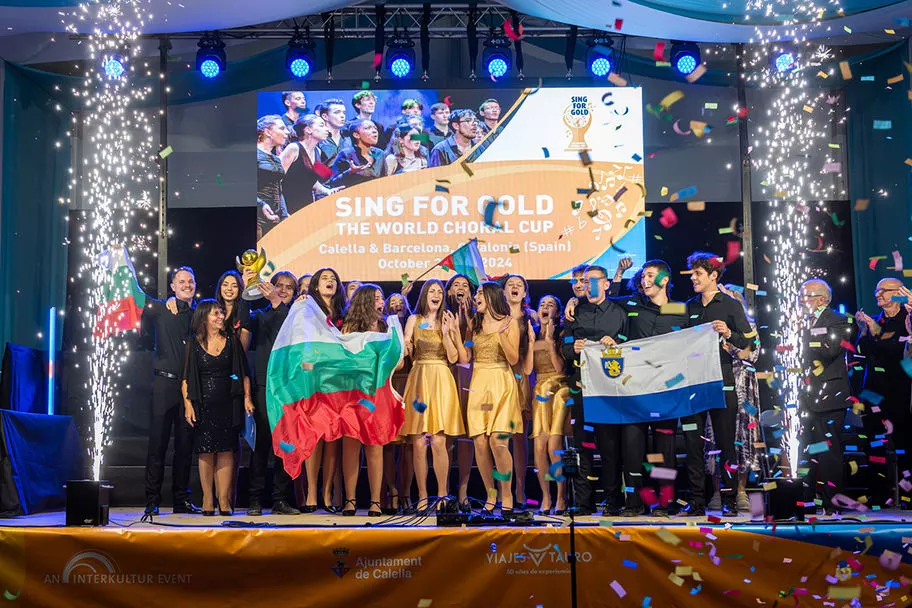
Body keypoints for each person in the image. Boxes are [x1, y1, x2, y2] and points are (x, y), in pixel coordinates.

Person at [681, 252, 756, 517]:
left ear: (713, 275)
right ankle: (696, 501)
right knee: (692, 443)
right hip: (693, 385)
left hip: (723, 383)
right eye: (692, 273)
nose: (693, 278)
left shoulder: (731, 305)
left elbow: (750, 343)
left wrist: (729, 333)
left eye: (698, 274)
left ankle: (730, 499)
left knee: (726, 443)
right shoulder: (689, 306)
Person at [560, 265, 627, 516]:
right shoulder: (574, 313)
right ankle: (583, 502)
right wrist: (574, 348)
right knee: (583, 445)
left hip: (610, 390)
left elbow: (631, 345)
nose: (588, 286)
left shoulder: (620, 313)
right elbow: (565, 348)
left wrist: (616, 343)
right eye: (585, 282)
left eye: (593, 281)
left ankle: (612, 500)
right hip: (581, 387)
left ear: (607, 284)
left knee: (610, 447)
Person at [237, 270, 302, 516]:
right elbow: (243, 323)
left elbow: (285, 329)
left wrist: (276, 302)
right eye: (279, 286)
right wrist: (246, 291)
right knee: (262, 445)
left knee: (286, 445)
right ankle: (254, 500)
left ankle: (280, 500)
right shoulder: (261, 315)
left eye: (288, 287)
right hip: (264, 386)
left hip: (289, 388)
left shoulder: (297, 317)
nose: (283, 290)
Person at [182, 299, 253, 516]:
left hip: (228, 403)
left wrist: (247, 398)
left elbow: (241, 373)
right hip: (202, 404)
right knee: (205, 451)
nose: (221, 316)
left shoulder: (232, 341)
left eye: (221, 313)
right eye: (215, 313)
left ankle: (223, 500)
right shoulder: (193, 343)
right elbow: (186, 378)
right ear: (204, 317)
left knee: (226, 450)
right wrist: (188, 405)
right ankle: (207, 498)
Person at [339, 285, 405, 516]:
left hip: (378, 393)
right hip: (353, 393)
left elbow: (399, 362)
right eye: (376, 298)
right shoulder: (349, 327)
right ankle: (350, 500)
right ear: (365, 301)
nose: (381, 301)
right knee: (350, 446)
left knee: (375, 444)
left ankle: (375, 501)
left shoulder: (388, 327)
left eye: (381, 297)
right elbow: (343, 359)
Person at [401, 280, 466, 511]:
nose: (436, 294)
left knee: (439, 441)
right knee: (419, 442)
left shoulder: (448, 319)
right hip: (419, 377)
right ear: (425, 295)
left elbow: (454, 358)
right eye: (432, 291)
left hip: (441, 378)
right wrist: (405, 345)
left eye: (439, 291)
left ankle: (442, 495)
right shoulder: (414, 319)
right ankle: (422, 495)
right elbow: (407, 345)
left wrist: (447, 334)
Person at [460, 282, 523, 517]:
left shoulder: (510, 323)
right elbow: (466, 356)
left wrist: (500, 334)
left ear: (491, 297)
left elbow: (513, 358)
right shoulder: (473, 325)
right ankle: (491, 494)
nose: (475, 297)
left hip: (501, 383)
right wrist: (454, 333)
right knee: (480, 442)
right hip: (479, 384)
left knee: (498, 440)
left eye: (479, 293)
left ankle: (507, 495)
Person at [142, 266, 201, 517]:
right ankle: (152, 500)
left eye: (191, 281)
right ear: (173, 287)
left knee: (185, 447)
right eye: (182, 282)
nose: (187, 285)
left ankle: (181, 500)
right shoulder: (160, 308)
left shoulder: (199, 316)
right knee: (157, 445)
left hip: (189, 389)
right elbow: (136, 295)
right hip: (163, 386)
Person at [703, 284, 761, 513]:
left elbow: (753, 354)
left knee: (743, 439)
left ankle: (741, 490)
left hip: (743, 388)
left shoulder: (749, 326)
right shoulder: (710, 325)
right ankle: (719, 490)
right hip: (718, 384)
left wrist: (730, 343)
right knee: (716, 438)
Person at [801, 279, 855, 513]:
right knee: (806, 450)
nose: (801, 301)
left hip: (830, 395)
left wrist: (805, 335)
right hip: (805, 397)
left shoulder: (838, 320)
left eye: (806, 297)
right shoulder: (802, 321)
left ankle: (832, 504)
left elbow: (830, 349)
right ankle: (805, 502)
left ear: (822, 299)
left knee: (829, 452)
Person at [856, 277, 911, 505]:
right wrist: (864, 330)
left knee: (904, 443)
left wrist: (875, 332)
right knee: (874, 443)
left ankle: (907, 494)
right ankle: (878, 494)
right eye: (876, 291)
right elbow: (861, 351)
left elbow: (899, 350)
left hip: (900, 390)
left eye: (883, 291)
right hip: (873, 391)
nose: (878, 295)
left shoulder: (907, 319)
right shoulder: (874, 320)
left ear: (898, 293)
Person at [302, 268, 347, 512]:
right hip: (314, 380)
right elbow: (302, 346)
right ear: (316, 286)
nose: (329, 281)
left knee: (333, 438)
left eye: (333, 279)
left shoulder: (344, 313)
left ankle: (327, 494)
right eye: (324, 278)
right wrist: (308, 373)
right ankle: (311, 493)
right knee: (315, 436)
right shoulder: (307, 310)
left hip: (338, 381)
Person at [530, 295, 571, 515]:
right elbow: (528, 369)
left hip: (560, 389)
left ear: (558, 312)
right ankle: (546, 496)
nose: (545, 307)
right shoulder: (532, 333)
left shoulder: (563, 334)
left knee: (554, 445)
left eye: (551, 304)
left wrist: (550, 343)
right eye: (542, 304)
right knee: (539, 446)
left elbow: (560, 368)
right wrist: (531, 343)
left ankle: (561, 496)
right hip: (540, 390)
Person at [504, 274, 536, 509]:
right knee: (498, 435)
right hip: (499, 374)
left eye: (519, 285)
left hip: (522, 375)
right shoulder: (495, 315)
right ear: (503, 291)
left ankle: (520, 489)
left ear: (524, 292)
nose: (515, 288)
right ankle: (501, 489)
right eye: (510, 285)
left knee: (519, 436)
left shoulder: (531, 316)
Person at [446, 274, 476, 511]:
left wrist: (466, 321)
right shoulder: (442, 315)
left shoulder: (476, 316)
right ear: (448, 292)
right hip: (446, 375)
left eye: (465, 285)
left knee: (467, 436)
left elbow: (470, 349)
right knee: (445, 434)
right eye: (456, 285)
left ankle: (463, 490)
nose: (461, 288)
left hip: (468, 376)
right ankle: (443, 490)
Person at [383, 293, 414, 514]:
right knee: (388, 443)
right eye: (392, 303)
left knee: (409, 445)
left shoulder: (414, 325)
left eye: (401, 303)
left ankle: (406, 492)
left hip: (411, 384)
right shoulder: (385, 328)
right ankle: (390, 491)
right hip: (390, 384)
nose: (397, 306)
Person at [281, 114, 341, 214]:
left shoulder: (318, 151)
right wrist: (282, 211)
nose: (327, 129)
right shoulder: (294, 148)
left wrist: (327, 191)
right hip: (289, 205)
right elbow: (277, 179)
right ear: (308, 130)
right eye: (322, 125)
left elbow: (310, 181)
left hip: (306, 204)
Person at [256, 115, 289, 239]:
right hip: (258, 217)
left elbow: (278, 187)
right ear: (268, 132)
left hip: (275, 217)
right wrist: (261, 205)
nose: (287, 132)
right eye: (282, 128)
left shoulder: (276, 159)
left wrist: (284, 215)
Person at [329, 119, 385, 188]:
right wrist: (350, 172)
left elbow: (384, 180)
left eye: (375, 128)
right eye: (368, 128)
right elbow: (332, 183)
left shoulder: (380, 154)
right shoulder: (346, 154)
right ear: (356, 135)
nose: (374, 131)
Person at [315, 98, 347, 165]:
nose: (342, 116)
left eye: (344, 113)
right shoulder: (317, 140)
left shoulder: (348, 138)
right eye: (337, 112)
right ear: (325, 116)